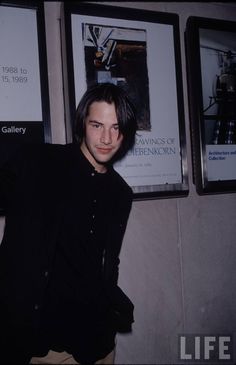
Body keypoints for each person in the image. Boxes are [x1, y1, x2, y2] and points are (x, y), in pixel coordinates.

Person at [0, 83, 137, 364]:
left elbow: (108, 261)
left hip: (96, 345)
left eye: (116, 128)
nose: (107, 138)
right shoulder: (38, 162)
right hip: (39, 347)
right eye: (97, 125)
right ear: (82, 123)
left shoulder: (121, 193)